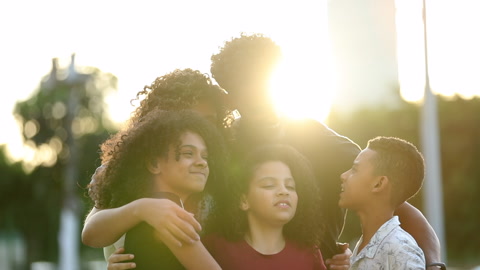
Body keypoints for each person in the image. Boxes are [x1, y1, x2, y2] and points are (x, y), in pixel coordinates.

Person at [210, 33, 442, 269]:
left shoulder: (319, 141)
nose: (257, 95)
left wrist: (433, 265)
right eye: (246, 86)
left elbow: (394, 205)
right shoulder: (221, 146)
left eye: (262, 82)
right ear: (230, 98)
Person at [82, 68, 230, 260]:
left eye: (210, 121)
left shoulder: (214, 174)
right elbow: (92, 234)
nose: (201, 128)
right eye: (191, 117)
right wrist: (142, 208)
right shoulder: (125, 172)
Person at [203, 144, 327, 270]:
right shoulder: (215, 248)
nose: (284, 191)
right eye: (269, 185)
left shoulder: (309, 254)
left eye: (290, 186)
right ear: (244, 200)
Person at [339, 136, 426, 269]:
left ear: (378, 184)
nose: (343, 175)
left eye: (355, 169)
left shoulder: (402, 251)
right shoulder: (362, 246)